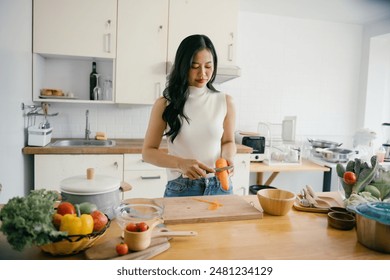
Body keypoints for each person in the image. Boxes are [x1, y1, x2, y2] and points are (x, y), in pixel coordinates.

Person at [142, 34, 237, 197]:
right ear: (183, 66)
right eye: (194, 66)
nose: (202, 73)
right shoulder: (165, 104)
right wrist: (180, 164)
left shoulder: (225, 101)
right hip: (182, 188)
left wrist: (227, 158)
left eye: (208, 66)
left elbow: (228, 141)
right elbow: (148, 152)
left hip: (220, 185)